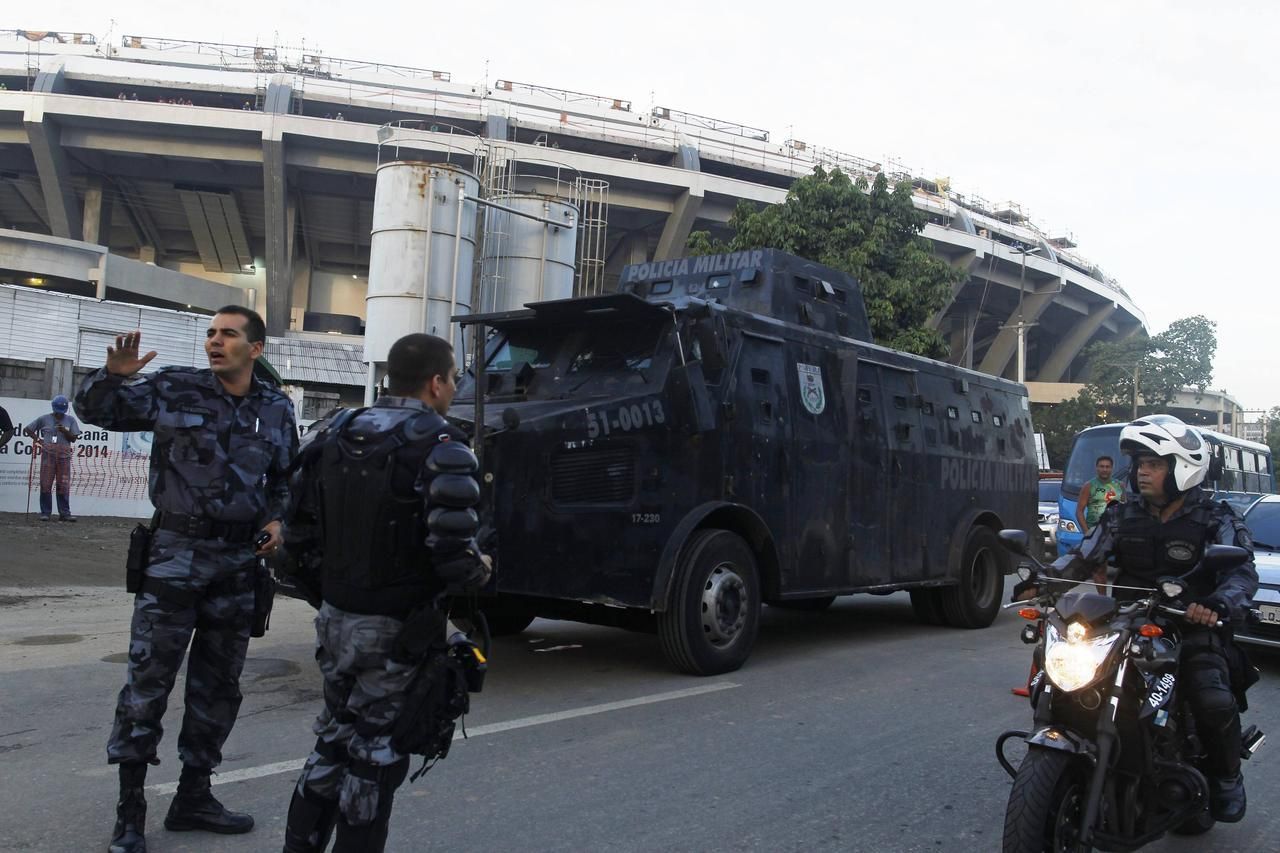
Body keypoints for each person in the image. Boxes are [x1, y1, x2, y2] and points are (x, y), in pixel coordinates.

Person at [75, 306, 298, 853]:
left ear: (256, 348)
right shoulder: (174, 387)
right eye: (210, 334)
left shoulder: (275, 408)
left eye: (228, 335)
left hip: (238, 563)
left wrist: (278, 520)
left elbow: (290, 480)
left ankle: (194, 796)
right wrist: (113, 377)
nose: (214, 343)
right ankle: (131, 811)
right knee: (148, 684)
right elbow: (97, 412)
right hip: (175, 556)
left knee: (218, 687)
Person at [281, 333, 491, 852]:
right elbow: (454, 559)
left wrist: (331, 597)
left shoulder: (336, 431)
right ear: (438, 382)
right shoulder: (443, 446)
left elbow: (296, 535)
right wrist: (481, 570)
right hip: (398, 629)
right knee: (376, 755)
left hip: (335, 616)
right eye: (454, 379)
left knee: (332, 740)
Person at [1020, 414, 1257, 822]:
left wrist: (1217, 604)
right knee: (1058, 678)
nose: (1141, 472)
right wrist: (1043, 579)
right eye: (1140, 464)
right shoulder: (1121, 514)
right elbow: (1082, 556)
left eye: (1154, 464)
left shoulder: (1215, 517)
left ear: (1182, 468)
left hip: (1190, 625)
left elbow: (1241, 571)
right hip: (1126, 622)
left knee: (1211, 696)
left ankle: (1225, 778)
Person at [23, 395, 81, 520]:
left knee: (63, 485)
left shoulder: (70, 420)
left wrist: (65, 431)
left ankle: (65, 513)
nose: (59, 414)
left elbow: (74, 438)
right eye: (57, 412)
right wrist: (38, 440)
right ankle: (45, 513)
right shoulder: (44, 419)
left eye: (61, 412)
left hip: (64, 458)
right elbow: (28, 429)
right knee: (45, 484)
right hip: (48, 457)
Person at [1075, 454, 1124, 535]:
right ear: (1097, 468)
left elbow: (1124, 509)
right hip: (1094, 530)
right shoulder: (1088, 486)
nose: (1104, 469)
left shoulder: (1120, 485)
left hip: (1114, 531)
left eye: (1107, 467)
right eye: (1101, 466)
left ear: (1112, 468)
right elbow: (1079, 512)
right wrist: (1086, 531)